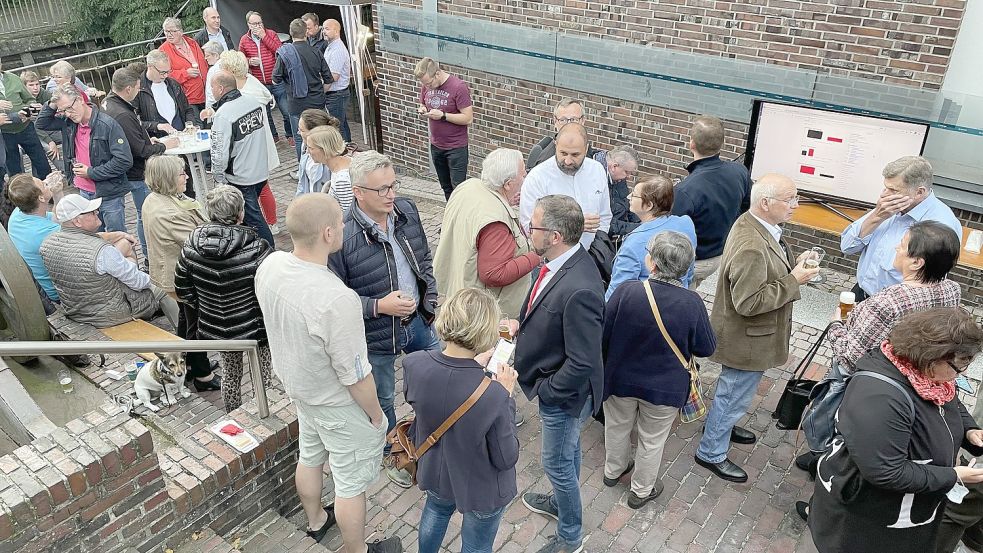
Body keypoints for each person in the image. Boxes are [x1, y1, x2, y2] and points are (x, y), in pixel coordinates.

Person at [255, 193, 402, 553]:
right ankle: (357, 549)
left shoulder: (270, 266)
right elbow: (355, 374)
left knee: (310, 455)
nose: (343, 227)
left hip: (302, 390)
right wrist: (375, 415)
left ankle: (317, 521)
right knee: (350, 483)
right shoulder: (336, 299)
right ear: (326, 233)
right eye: (339, 222)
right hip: (335, 400)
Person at [807, 308, 983, 553]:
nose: (959, 374)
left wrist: (969, 430)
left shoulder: (927, 377)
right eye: (958, 367)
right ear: (933, 358)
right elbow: (886, 471)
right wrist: (953, 476)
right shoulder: (880, 396)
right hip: (869, 517)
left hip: (904, 510)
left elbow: (949, 401)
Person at [798, 221, 963, 471]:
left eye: (904, 245)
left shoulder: (889, 302)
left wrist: (835, 325)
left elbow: (851, 357)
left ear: (917, 261)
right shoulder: (952, 289)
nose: (897, 247)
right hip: (913, 384)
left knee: (844, 435)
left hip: (871, 385)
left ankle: (827, 477)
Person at [694, 174, 819, 483]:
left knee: (733, 393)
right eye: (790, 200)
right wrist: (794, 280)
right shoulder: (751, 244)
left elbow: (765, 270)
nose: (795, 205)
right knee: (732, 394)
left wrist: (793, 265)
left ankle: (720, 425)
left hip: (749, 338)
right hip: (747, 340)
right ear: (766, 203)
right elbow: (748, 303)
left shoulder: (757, 225)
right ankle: (711, 451)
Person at [328, 150, 440, 489]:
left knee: (436, 380)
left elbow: (423, 259)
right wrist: (378, 306)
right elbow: (337, 300)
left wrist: (429, 300)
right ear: (358, 192)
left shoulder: (406, 210)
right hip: (376, 335)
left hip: (419, 323)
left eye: (393, 185)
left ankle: (436, 433)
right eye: (383, 189)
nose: (392, 194)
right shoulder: (342, 236)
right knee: (382, 398)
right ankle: (393, 451)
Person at [511, 194, 605, 553]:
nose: (526, 231)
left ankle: (570, 536)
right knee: (568, 454)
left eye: (532, 226)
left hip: (563, 396)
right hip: (556, 385)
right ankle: (562, 503)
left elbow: (582, 360)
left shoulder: (579, 285)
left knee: (557, 463)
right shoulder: (558, 262)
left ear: (553, 236)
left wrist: (549, 392)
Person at [602, 231, 715, 509]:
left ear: (651, 262)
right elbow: (706, 348)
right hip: (665, 387)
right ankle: (641, 491)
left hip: (619, 380)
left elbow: (603, 334)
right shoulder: (692, 303)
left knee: (616, 428)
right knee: (652, 440)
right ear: (686, 267)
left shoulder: (627, 291)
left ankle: (612, 472)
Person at [403, 288, 520, 553]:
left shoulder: (414, 364)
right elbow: (506, 457)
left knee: (436, 511)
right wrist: (508, 396)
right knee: (476, 545)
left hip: (436, 470)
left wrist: (473, 363)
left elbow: (444, 387)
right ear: (484, 333)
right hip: (480, 486)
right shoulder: (495, 394)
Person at [174, 184, 273, 411]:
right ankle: (267, 415)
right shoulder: (257, 247)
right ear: (241, 213)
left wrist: (206, 306)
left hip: (216, 326)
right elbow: (271, 289)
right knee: (263, 374)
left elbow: (182, 289)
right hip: (255, 327)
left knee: (230, 375)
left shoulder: (191, 246)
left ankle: (233, 416)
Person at [141, 154, 219, 392]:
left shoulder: (156, 199)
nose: (186, 177)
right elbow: (200, 241)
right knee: (197, 326)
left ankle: (189, 364)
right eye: (181, 174)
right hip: (182, 278)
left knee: (186, 321)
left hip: (174, 274)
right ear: (167, 179)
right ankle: (202, 375)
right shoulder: (168, 212)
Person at [39, 194, 178, 328]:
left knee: (125, 257)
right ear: (77, 221)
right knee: (165, 288)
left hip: (78, 311)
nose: (97, 212)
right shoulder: (102, 251)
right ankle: (187, 338)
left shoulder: (47, 244)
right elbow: (138, 282)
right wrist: (156, 278)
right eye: (91, 212)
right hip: (112, 314)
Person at [433, 147, 540, 316]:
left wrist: (505, 200)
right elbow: (494, 274)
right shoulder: (496, 223)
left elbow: (476, 215)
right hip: (483, 313)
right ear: (508, 184)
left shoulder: (468, 187)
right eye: (522, 173)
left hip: (458, 291)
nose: (525, 176)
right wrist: (536, 256)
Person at [841, 156, 962, 300]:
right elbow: (847, 247)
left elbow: (929, 283)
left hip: (898, 306)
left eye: (893, 190)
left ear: (919, 192)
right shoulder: (888, 207)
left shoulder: (941, 225)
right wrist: (876, 217)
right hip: (862, 292)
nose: (884, 194)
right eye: (885, 187)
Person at [103, 67, 180, 260]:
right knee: (145, 215)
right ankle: (149, 254)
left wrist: (146, 138)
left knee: (142, 213)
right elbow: (141, 151)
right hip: (136, 172)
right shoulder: (122, 113)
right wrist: (163, 145)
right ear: (128, 89)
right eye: (138, 87)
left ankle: (147, 254)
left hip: (125, 168)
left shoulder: (107, 103)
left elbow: (134, 139)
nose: (139, 91)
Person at [36, 83, 134, 232]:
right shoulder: (68, 123)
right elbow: (41, 123)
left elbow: (124, 160)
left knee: (118, 236)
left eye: (69, 108)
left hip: (108, 193)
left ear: (80, 99)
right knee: (93, 236)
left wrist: (91, 172)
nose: (68, 114)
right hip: (83, 191)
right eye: (63, 110)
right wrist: (53, 104)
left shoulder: (107, 124)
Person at [670, 115, 752, 291]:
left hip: (694, 261)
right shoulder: (739, 172)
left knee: (680, 299)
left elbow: (672, 235)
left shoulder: (685, 190)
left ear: (691, 144)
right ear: (722, 143)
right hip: (719, 255)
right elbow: (747, 208)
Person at [206, 50, 280, 233]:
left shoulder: (223, 115)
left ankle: (267, 252)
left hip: (241, 176)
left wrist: (219, 178)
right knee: (251, 219)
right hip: (259, 171)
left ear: (221, 89)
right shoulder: (252, 101)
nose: (211, 91)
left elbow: (219, 152)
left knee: (254, 220)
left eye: (212, 87)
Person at [519, 123, 611, 250]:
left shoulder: (597, 170)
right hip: (552, 259)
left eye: (575, 155)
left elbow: (605, 217)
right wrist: (574, 226)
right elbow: (529, 227)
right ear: (556, 145)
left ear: (586, 149)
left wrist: (598, 250)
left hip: (591, 255)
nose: (568, 161)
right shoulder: (537, 178)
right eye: (563, 153)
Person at [605, 175, 696, 300]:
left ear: (648, 205)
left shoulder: (632, 245)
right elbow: (689, 271)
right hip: (677, 300)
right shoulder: (686, 223)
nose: (628, 197)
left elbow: (617, 292)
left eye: (634, 195)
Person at [272, 18, 332, 161]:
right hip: (317, 103)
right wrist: (319, 92)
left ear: (290, 33)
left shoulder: (284, 54)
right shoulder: (316, 52)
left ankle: (303, 171)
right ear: (306, 33)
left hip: (296, 104)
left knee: (300, 139)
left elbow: (275, 80)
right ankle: (323, 167)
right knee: (321, 137)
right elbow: (329, 79)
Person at [414, 57, 473, 200]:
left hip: (456, 148)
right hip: (436, 145)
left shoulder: (458, 87)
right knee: (446, 187)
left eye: (429, 83)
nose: (427, 87)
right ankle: (450, 216)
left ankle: (461, 220)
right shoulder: (426, 85)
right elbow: (423, 102)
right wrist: (422, 108)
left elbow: (468, 118)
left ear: (438, 74)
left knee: (458, 189)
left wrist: (443, 116)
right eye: (424, 84)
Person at [6, 172, 66, 304]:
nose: (47, 183)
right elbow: (74, 234)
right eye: (44, 184)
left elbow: (56, 220)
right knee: (119, 245)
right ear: (41, 199)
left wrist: (56, 193)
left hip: (37, 283)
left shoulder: (18, 214)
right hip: (57, 291)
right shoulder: (46, 233)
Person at [239, 11, 292, 146]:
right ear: (248, 25)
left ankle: (290, 134)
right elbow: (240, 58)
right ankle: (273, 136)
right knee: (265, 113)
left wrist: (264, 37)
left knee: (286, 110)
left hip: (276, 80)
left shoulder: (271, 34)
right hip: (259, 83)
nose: (258, 26)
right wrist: (249, 61)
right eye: (254, 23)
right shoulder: (244, 40)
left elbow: (280, 51)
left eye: (260, 23)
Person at [1, 58, 51, 180]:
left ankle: (48, 191)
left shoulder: (13, 78)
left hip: (26, 128)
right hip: (5, 134)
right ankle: (21, 197)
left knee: (42, 163)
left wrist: (30, 108)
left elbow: (29, 99)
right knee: (15, 171)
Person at [134, 51, 200, 136]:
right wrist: (156, 126)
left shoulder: (173, 84)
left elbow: (187, 109)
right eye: (162, 72)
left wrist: (191, 125)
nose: (165, 76)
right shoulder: (137, 89)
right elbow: (134, 122)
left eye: (168, 72)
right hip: (158, 141)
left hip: (182, 136)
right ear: (150, 67)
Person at [527, 97, 601, 170]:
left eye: (574, 119)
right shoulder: (546, 164)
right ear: (555, 122)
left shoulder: (596, 163)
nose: (568, 125)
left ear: (583, 121)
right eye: (563, 120)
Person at [159, 17, 208, 110]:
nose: (169, 35)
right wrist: (186, 74)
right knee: (197, 124)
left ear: (181, 31)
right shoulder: (163, 51)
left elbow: (204, 63)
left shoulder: (192, 43)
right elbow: (163, 75)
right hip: (188, 100)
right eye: (166, 31)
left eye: (172, 31)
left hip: (206, 95)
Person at [19, 70, 63, 174]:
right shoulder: (21, 100)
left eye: (37, 84)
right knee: (48, 147)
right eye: (31, 85)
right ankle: (65, 170)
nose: (35, 87)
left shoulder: (44, 94)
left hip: (47, 129)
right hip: (30, 132)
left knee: (68, 135)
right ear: (24, 87)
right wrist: (50, 141)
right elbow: (34, 124)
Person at [593, 145, 640, 239]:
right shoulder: (593, 179)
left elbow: (626, 204)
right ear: (614, 166)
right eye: (627, 172)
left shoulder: (618, 178)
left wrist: (640, 223)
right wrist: (637, 228)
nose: (629, 176)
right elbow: (602, 221)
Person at [304, 126, 353, 211]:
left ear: (325, 149)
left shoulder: (342, 180)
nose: (308, 151)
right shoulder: (346, 160)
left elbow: (349, 216)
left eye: (311, 148)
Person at [322, 19, 352, 142]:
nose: (324, 31)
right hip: (335, 94)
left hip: (337, 94)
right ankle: (347, 148)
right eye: (323, 28)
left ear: (336, 30)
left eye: (327, 29)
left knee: (337, 126)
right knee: (341, 123)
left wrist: (321, 91)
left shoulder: (338, 50)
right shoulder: (331, 47)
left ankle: (344, 150)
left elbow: (333, 77)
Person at [295, 109, 336, 195]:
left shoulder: (334, 159)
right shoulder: (305, 147)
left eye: (302, 130)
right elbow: (301, 184)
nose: (298, 133)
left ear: (314, 132)